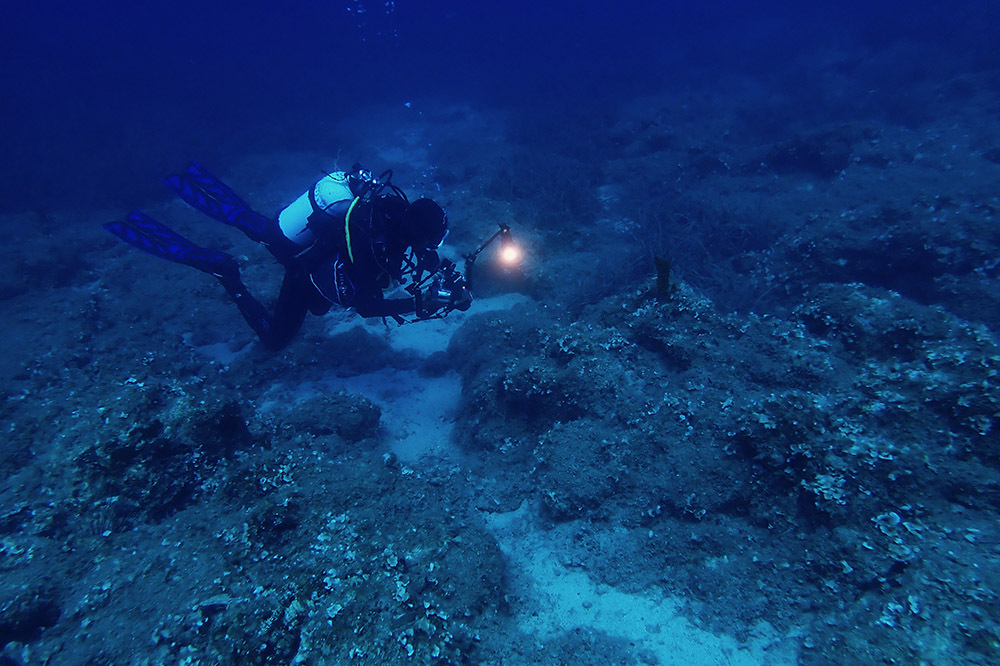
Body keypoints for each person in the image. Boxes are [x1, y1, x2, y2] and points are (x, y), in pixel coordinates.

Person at [105, 163, 472, 350]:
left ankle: (208, 193)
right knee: (275, 340)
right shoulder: (369, 238)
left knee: (265, 233)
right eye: (432, 242)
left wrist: (437, 266)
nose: (432, 248)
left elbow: (410, 250)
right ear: (416, 232)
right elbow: (367, 306)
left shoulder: (392, 214)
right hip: (304, 270)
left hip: (319, 254)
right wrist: (419, 303)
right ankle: (226, 274)